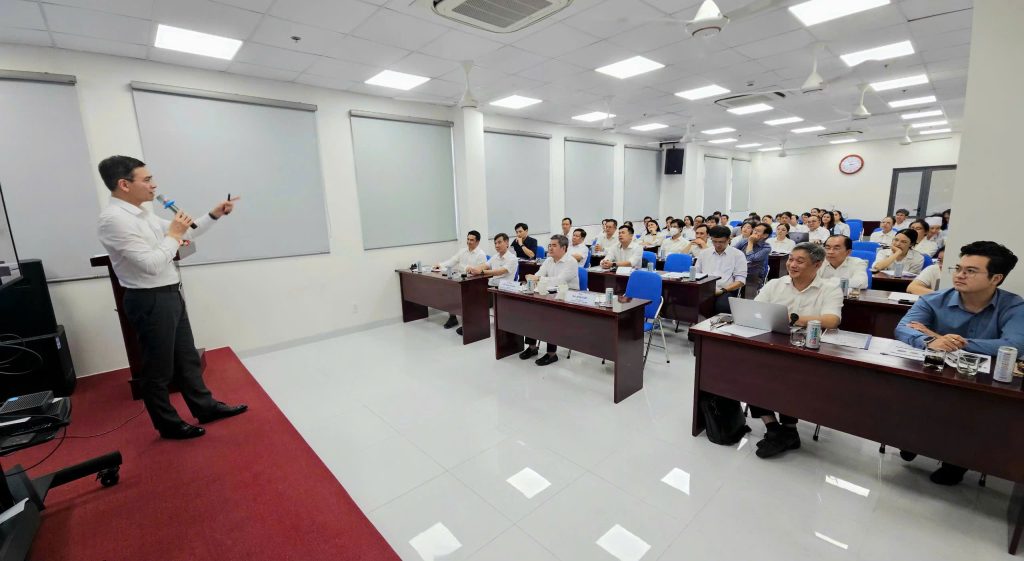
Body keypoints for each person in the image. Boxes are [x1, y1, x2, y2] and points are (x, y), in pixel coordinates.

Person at [96, 155, 247, 440]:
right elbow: (151, 264)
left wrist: (214, 214)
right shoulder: (114, 221)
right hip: (148, 299)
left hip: (169, 293)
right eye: (147, 179)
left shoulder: (143, 214)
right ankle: (167, 424)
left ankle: (205, 407)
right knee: (158, 369)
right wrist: (174, 236)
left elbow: (186, 231)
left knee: (187, 359)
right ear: (124, 185)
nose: (154, 185)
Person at [895, 241, 1024, 485]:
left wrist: (944, 339)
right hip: (935, 373)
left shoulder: (1014, 306)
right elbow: (903, 328)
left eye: (971, 271)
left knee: (977, 409)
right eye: (958, 268)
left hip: (983, 382)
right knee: (911, 394)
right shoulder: (934, 300)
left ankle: (957, 462)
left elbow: (1014, 346)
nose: (960, 275)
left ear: (996, 278)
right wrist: (931, 341)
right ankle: (914, 440)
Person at [751, 243, 844, 458]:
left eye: (800, 261)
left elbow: (832, 320)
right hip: (772, 343)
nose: (792, 265)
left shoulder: (829, 288)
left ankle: (786, 429)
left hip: (808, 349)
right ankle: (775, 428)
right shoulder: (775, 284)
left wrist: (793, 318)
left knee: (789, 376)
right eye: (791, 259)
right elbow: (756, 309)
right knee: (751, 369)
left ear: (817, 265)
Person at [521, 235, 580, 366]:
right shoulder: (548, 260)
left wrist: (538, 279)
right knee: (530, 310)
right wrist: (532, 277)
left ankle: (552, 354)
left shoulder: (571, 262)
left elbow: (559, 281)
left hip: (568, 297)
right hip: (550, 294)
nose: (550, 248)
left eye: (554, 245)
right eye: (550, 245)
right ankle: (532, 347)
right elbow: (538, 275)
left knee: (549, 315)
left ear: (563, 248)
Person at [437, 230, 488, 331]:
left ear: (477, 242)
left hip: (473, 283)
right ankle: (452, 318)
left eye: (472, 240)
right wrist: (440, 265)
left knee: (462, 294)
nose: (469, 242)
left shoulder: (481, 255)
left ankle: (469, 322)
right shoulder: (462, 251)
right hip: (460, 280)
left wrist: (466, 269)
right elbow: (452, 261)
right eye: (468, 239)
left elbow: (479, 272)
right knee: (449, 290)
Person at [696, 225, 747, 313]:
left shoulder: (738, 255)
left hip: (726, 290)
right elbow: (696, 274)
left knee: (722, 306)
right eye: (714, 241)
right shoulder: (704, 253)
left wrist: (722, 290)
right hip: (705, 289)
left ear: (728, 240)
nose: (717, 245)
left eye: (721, 242)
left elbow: (740, 281)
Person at [736, 223, 772, 295]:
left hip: (754, 276)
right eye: (755, 230)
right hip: (739, 272)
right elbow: (731, 252)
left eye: (758, 231)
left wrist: (750, 242)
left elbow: (750, 258)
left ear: (765, 235)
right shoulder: (744, 241)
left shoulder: (766, 248)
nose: (755, 232)